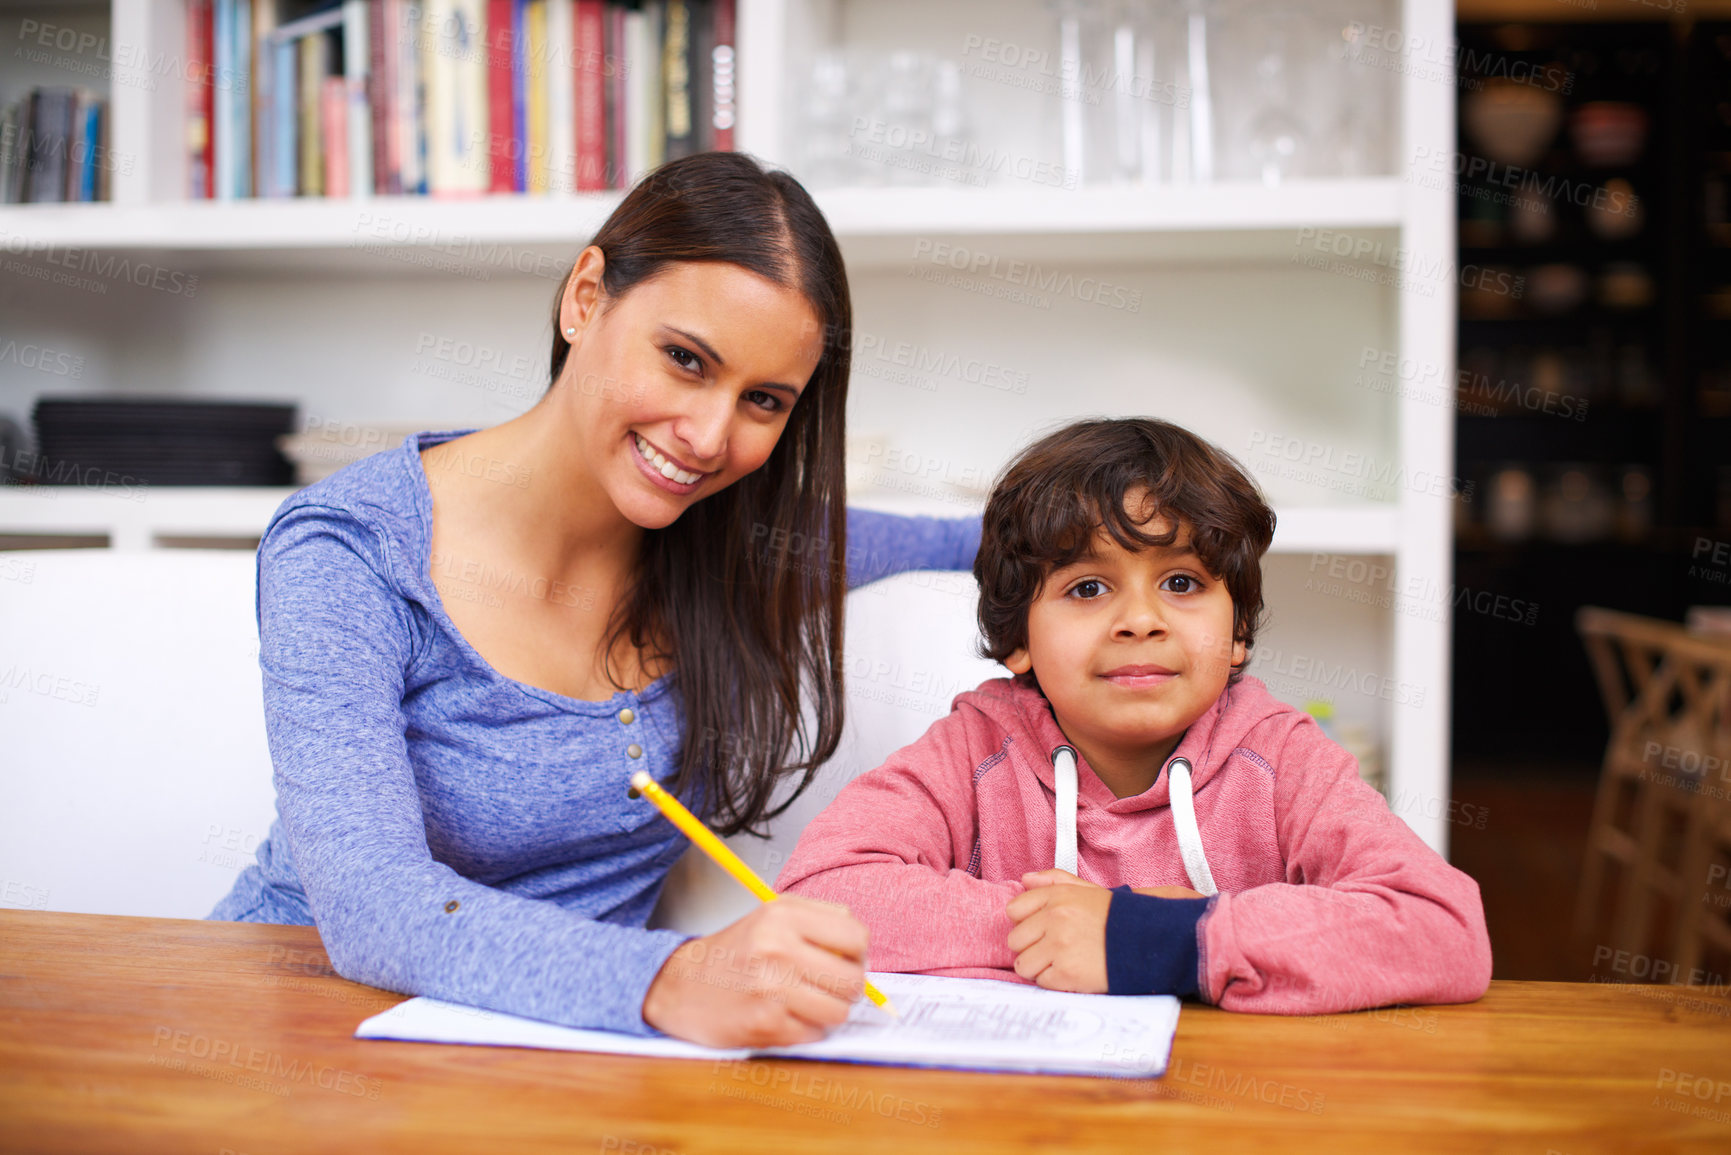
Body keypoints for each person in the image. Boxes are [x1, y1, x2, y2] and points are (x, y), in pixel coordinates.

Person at [209, 153, 980, 1047]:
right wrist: (671, 976)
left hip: (551, 1071)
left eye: (763, 401)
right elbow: (373, 906)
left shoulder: (739, 541)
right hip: (294, 1035)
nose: (708, 437)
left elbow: (992, 536)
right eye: (685, 359)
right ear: (585, 297)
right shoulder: (350, 547)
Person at [777, 418, 1493, 1013]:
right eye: (1088, 587)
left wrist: (1157, 939)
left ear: (1238, 628)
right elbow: (817, 894)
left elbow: (1443, 928)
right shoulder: (973, 749)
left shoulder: (1280, 756)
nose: (1140, 620)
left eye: (1181, 582)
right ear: (1018, 638)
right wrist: (1051, 931)